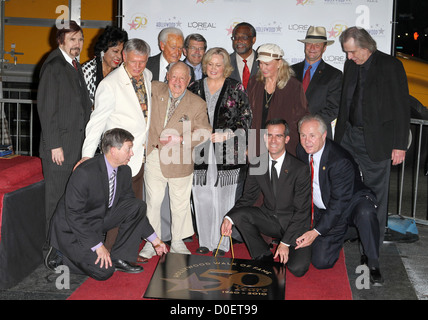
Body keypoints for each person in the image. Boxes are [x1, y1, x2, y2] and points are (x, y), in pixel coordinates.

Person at [45, 128, 167, 280]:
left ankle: (119, 258)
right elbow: (74, 215)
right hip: (71, 229)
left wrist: (155, 240)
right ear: (114, 151)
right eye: (129, 149)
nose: (132, 153)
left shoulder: (124, 171)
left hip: (96, 221)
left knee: (137, 205)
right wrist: (98, 246)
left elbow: (130, 208)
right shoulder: (85, 173)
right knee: (104, 271)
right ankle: (61, 255)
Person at [334, 26, 410, 244]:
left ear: (366, 46)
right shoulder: (350, 65)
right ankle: (349, 232)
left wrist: (399, 145)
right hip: (348, 137)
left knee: (376, 193)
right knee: (345, 186)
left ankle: (371, 245)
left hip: (376, 142)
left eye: (352, 52)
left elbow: (401, 107)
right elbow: (344, 104)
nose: (349, 57)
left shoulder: (390, 65)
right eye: (346, 52)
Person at [296, 114, 383, 285]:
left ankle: (373, 262)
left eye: (312, 135)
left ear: (323, 135)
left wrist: (316, 232)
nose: (307, 141)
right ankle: (347, 233)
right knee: (321, 262)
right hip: (325, 207)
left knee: (365, 212)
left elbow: (339, 204)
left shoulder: (339, 160)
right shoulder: (301, 150)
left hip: (350, 204)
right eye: (303, 135)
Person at [221, 119, 312, 277]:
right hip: (269, 218)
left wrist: (284, 243)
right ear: (264, 138)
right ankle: (263, 255)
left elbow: (302, 212)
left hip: (294, 224)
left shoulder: (300, 169)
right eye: (269, 136)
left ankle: (303, 244)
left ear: (287, 139)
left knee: (297, 269)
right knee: (239, 215)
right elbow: (248, 197)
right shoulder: (257, 164)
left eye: (278, 136)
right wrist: (229, 217)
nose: (273, 141)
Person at [140, 61, 211, 259]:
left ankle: (178, 241)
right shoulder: (154, 88)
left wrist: (180, 139)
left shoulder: (197, 103)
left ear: (189, 80)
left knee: (179, 204)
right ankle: (151, 242)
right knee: (153, 202)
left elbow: (205, 132)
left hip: (180, 159)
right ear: (167, 76)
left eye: (182, 78)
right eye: (174, 77)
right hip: (154, 156)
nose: (177, 82)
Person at [188, 47, 252, 256]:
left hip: (229, 150)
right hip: (201, 151)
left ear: (225, 67)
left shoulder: (235, 87)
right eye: (210, 64)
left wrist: (229, 133)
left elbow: (246, 118)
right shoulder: (194, 87)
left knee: (225, 197)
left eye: (218, 65)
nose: (213, 68)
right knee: (202, 196)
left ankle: (223, 243)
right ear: (204, 65)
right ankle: (206, 240)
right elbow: (184, 118)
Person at [77, 38, 152, 200]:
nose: (138, 67)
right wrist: (87, 157)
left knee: (134, 208)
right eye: (133, 62)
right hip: (118, 158)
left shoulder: (147, 75)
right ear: (124, 57)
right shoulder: (109, 84)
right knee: (114, 210)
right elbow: (96, 122)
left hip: (140, 156)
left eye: (142, 62)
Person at [37, 21, 92, 232]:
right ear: (60, 41)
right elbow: (47, 110)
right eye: (72, 39)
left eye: (80, 39)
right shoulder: (54, 67)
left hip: (74, 146)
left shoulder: (73, 64)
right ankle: (52, 248)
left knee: (69, 198)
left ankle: (64, 242)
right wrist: (54, 145)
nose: (77, 44)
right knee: (56, 199)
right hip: (59, 150)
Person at [247, 43, 309, 157]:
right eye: (260, 63)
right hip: (256, 145)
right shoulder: (254, 82)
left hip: (282, 146)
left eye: (267, 64)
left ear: (279, 63)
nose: (262, 67)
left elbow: (301, 117)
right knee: (257, 173)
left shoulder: (293, 86)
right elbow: (246, 115)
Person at [291, 26, 342, 139]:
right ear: (305, 46)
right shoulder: (290, 71)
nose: (312, 47)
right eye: (309, 43)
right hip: (292, 133)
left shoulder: (334, 75)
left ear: (324, 48)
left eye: (317, 45)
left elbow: (334, 108)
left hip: (318, 134)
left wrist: (309, 124)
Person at [82, 25, 128, 105]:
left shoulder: (122, 71)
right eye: (115, 51)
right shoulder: (87, 71)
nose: (119, 56)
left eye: (122, 52)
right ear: (103, 50)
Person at [229, 22, 258, 89]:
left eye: (244, 37)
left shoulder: (263, 62)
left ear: (253, 40)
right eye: (236, 37)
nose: (239, 40)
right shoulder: (225, 62)